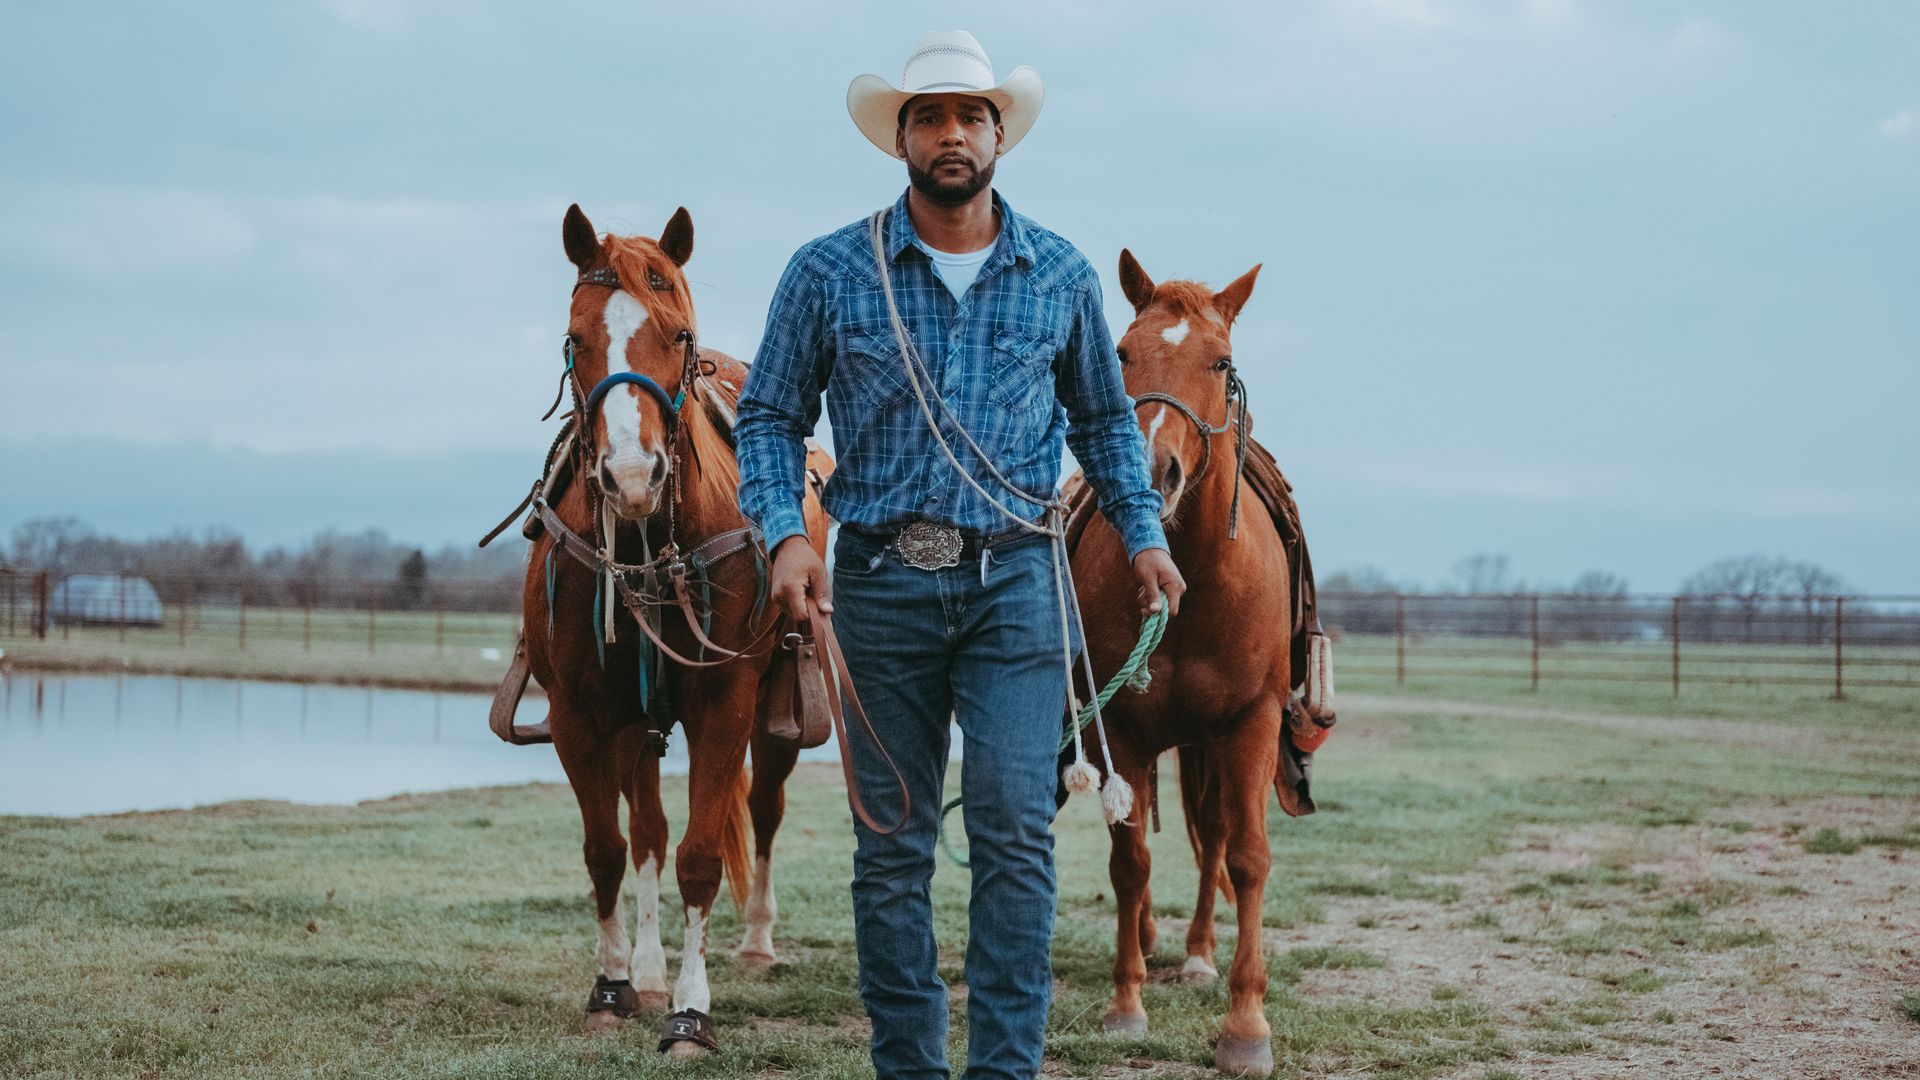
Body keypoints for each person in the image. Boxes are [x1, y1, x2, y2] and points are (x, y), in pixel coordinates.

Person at [733, 30, 1186, 1080]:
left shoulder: (1062, 273)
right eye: (929, 115)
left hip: (1019, 583)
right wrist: (787, 534)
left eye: (969, 116)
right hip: (882, 586)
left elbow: (1108, 427)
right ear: (901, 135)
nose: (950, 134)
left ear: (998, 135)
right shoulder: (826, 271)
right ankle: (909, 1069)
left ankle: (1004, 1071)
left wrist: (1149, 537)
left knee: (1015, 839)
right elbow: (766, 418)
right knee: (889, 849)